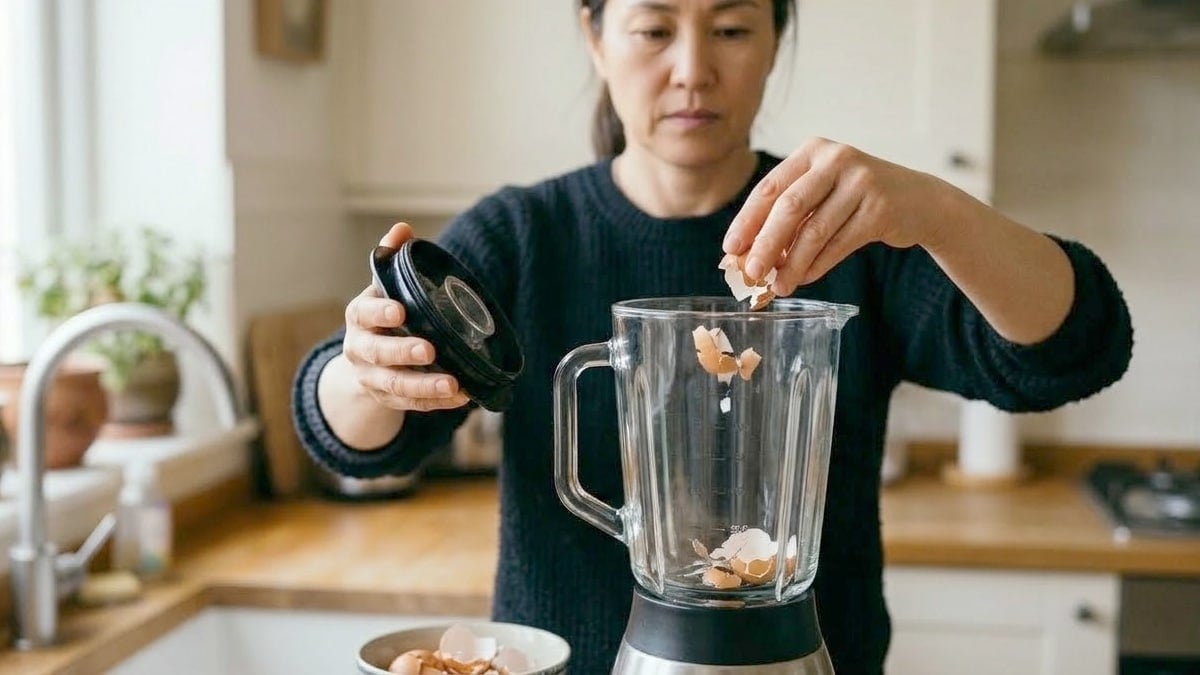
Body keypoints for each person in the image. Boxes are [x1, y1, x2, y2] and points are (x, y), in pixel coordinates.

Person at [292, 0, 1134, 672]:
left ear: (776, 40)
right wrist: (366, 371)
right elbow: (362, 438)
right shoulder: (523, 236)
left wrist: (935, 209)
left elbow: (1072, 351)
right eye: (655, 28)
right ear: (594, 36)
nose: (693, 70)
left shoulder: (846, 235)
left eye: (731, 28)